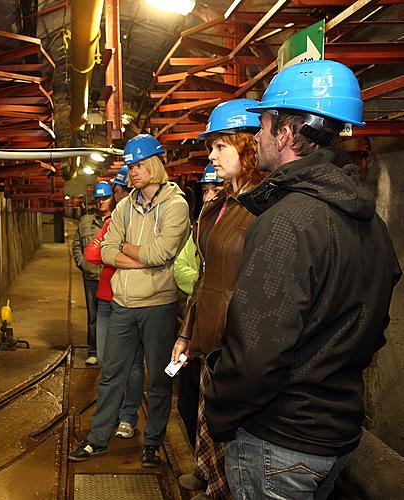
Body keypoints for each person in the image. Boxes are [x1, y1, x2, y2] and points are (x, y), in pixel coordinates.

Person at [205, 60, 401, 499]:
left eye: (265, 123)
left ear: (289, 134)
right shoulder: (370, 222)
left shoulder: (287, 222)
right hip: (336, 430)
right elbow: (372, 329)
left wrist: (219, 410)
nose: (257, 135)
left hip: (279, 438)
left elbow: (256, 351)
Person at [70, 134, 190, 467]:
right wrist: (140, 257)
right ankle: (97, 439)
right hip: (123, 304)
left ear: (153, 163)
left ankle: (152, 443)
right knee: (111, 375)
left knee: (160, 379)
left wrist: (129, 251)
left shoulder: (176, 205)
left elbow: (163, 252)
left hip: (157, 306)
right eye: (129, 166)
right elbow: (106, 251)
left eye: (137, 165)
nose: (132, 172)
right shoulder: (124, 206)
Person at [170, 99, 264, 499]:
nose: (211, 154)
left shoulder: (266, 208)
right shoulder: (218, 207)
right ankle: (209, 476)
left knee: (235, 445)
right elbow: (205, 276)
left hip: (238, 345)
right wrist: (187, 332)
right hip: (212, 343)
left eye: (221, 145)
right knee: (209, 427)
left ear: (249, 147)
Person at [84, 167, 143, 440]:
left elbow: (154, 255)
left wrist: (116, 251)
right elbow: (92, 254)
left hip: (132, 300)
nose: (117, 195)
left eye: (120, 190)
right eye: (117, 191)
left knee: (132, 364)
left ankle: (128, 417)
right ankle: (114, 412)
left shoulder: (138, 221)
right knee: (109, 363)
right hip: (107, 299)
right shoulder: (112, 222)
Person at [172, 162, 223, 448]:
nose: (208, 196)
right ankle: (200, 467)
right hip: (194, 325)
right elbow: (180, 269)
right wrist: (207, 283)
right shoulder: (199, 227)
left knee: (213, 407)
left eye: (215, 190)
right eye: (206, 190)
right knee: (188, 404)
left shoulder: (238, 225)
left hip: (218, 334)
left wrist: (207, 284)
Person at [72, 181, 114, 365]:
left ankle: (110, 351)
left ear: (111, 198)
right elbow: (76, 245)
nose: (101, 202)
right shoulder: (85, 222)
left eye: (105, 198)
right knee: (93, 316)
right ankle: (93, 351)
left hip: (112, 277)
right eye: (98, 199)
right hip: (91, 277)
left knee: (114, 316)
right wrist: (83, 263)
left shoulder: (118, 220)